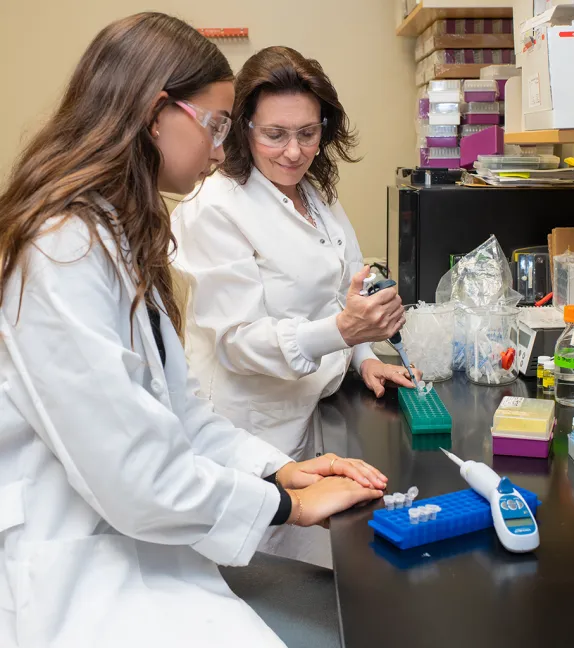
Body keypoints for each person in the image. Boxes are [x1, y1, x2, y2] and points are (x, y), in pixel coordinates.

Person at [0, 14, 387, 648]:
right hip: (80, 562)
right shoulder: (62, 250)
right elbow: (135, 478)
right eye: (215, 126)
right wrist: (284, 505)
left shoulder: (117, 233)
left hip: (147, 537)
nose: (218, 148)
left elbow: (179, 408)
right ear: (156, 115)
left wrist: (280, 472)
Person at [172, 45, 421, 465]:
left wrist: (363, 358)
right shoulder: (213, 207)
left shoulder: (314, 192)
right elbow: (238, 342)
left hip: (317, 410)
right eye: (275, 135)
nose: (294, 151)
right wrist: (344, 331)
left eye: (308, 133)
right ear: (242, 128)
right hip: (249, 433)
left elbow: (343, 290)